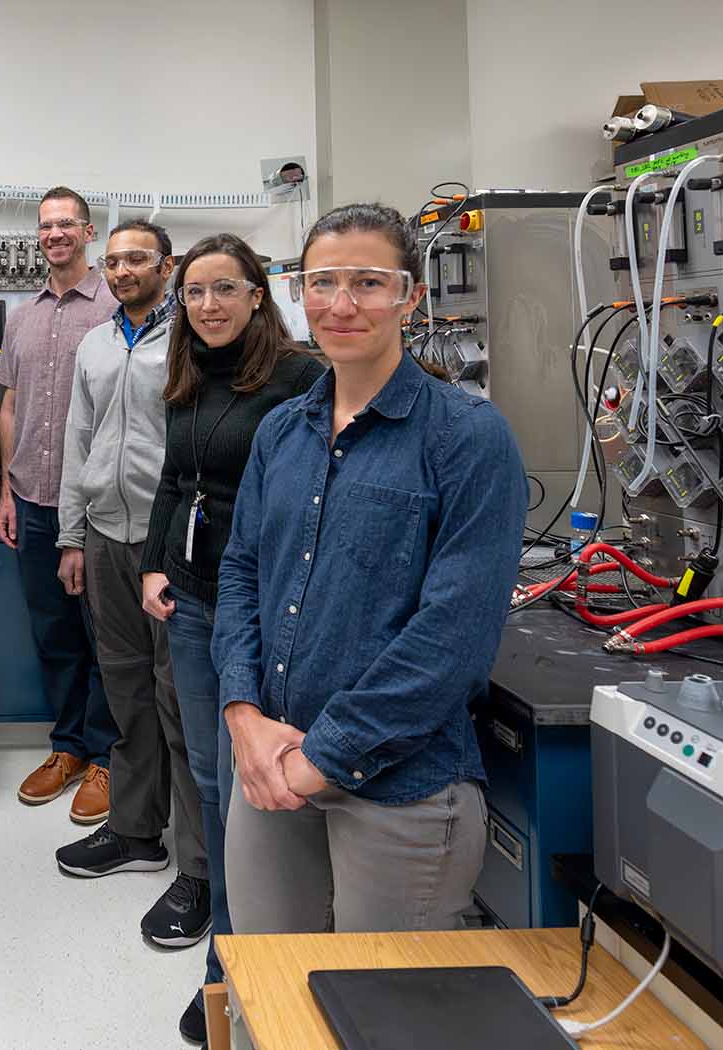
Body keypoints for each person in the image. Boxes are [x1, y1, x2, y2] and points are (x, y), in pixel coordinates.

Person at [213, 203, 526, 943]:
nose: (342, 305)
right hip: (272, 766)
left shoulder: (467, 438)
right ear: (298, 291)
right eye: (323, 282)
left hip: (399, 788)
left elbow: (454, 638)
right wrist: (242, 716)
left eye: (368, 283)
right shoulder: (282, 432)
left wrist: (322, 757)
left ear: (410, 296)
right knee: (272, 990)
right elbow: (241, 575)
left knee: (379, 1013)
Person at [138, 232, 327, 1045]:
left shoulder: (302, 379)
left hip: (266, 611)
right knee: (212, 780)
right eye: (195, 293)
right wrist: (153, 566)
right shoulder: (183, 379)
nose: (208, 306)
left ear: (259, 294)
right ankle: (225, 954)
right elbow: (174, 484)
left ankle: (263, 949)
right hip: (192, 604)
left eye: (225, 290)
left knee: (267, 779)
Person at [52, 220, 211, 953]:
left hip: (170, 543)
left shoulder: (194, 336)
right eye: (112, 261)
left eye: (136, 259)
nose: (121, 270)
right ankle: (136, 830)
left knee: (182, 700)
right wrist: (71, 534)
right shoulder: (95, 340)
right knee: (125, 689)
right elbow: (78, 441)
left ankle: (203, 870)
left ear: (166, 266)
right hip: (107, 539)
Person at [0, 186, 121, 825]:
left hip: (98, 506)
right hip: (34, 500)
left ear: (89, 231)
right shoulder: (22, 314)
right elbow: (12, 405)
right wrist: (6, 492)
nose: (55, 234)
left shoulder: (113, 306)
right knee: (54, 634)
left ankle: (106, 756)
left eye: (66, 223)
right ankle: (68, 746)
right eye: (46, 226)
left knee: (104, 635)